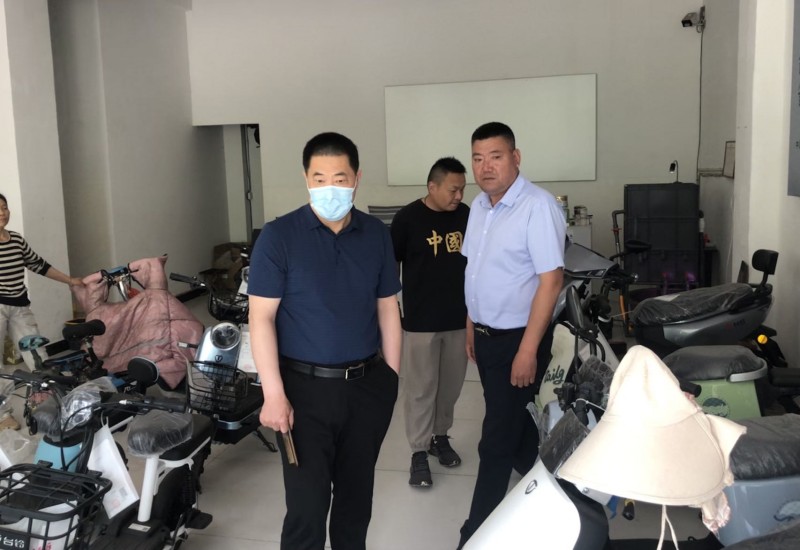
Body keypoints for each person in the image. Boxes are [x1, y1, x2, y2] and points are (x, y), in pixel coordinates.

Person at [247, 132, 402, 550]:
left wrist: (391, 378)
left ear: (356, 179)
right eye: (319, 179)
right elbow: (261, 318)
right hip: (302, 394)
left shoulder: (376, 234)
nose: (329, 188)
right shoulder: (279, 237)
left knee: (356, 503)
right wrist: (273, 394)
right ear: (306, 179)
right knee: (307, 508)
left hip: (366, 388)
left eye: (339, 178)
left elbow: (388, 307)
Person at [457, 122, 566, 548]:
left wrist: (527, 350)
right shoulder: (478, 207)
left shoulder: (537, 206)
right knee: (515, 428)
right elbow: (474, 271)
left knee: (495, 440)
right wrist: (472, 324)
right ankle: (553, 495)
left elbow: (551, 282)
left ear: (516, 158)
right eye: (478, 158)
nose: (486, 167)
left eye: (496, 157)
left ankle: (475, 534)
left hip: (518, 340)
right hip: (486, 337)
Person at [390, 157, 470, 488]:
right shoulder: (407, 219)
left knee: (450, 387)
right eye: (453, 190)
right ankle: (418, 451)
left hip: (459, 319)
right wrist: (392, 313)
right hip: (421, 322)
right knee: (421, 389)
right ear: (432, 186)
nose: (458, 196)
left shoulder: (467, 216)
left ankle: (440, 436)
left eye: (462, 189)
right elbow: (390, 267)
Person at [0, 192, 84, 430]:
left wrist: (70, 280)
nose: (2, 213)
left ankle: (47, 404)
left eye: (4, 207)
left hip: (20, 306)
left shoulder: (16, 240)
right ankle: (3, 415)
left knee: (38, 355)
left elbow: (39, 265)